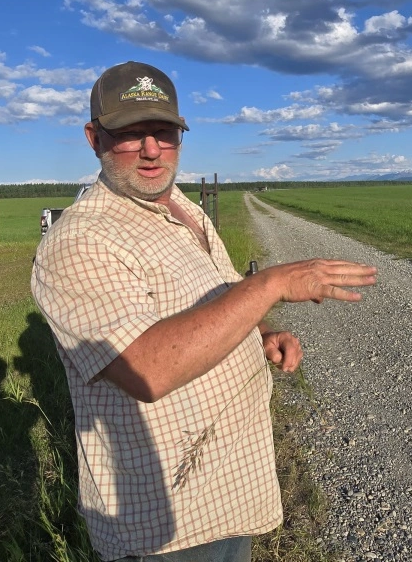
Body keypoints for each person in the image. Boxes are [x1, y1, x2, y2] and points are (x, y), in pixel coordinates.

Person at [31, 61, 377, 562]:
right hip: (165, 524)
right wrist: (271, 284)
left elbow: (223, 291)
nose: (152, 149)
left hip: (228, 489)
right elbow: (147, 368)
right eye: (130, 133)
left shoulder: (182, 207)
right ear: (94, 138)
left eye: (164, 132)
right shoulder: (80, 241)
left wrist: (262, 330)